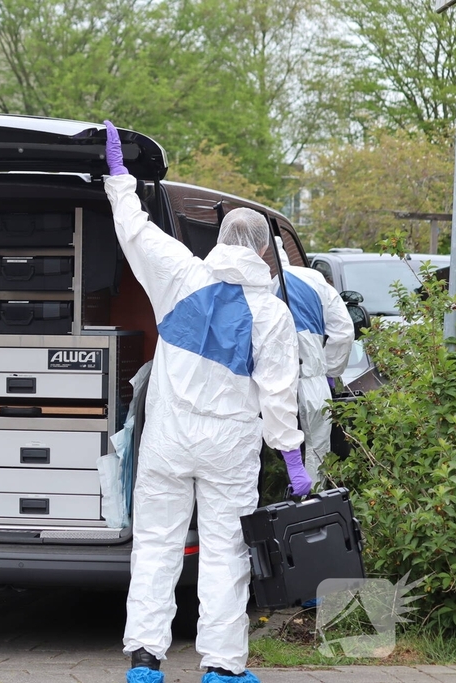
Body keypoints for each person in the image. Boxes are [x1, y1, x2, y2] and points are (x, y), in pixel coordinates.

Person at [102, 121, 307, 683]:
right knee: (224, 555)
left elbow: (135, 231)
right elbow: (278, 396)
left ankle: (145, 660)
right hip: (229, 449)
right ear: (267, 253)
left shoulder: (181, 278)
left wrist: (120, 177)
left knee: (156, 548)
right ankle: (222, 667)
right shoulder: (271, 315)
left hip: (168, 441)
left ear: (219, 242)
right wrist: (291, 458)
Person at [272, 237, 355, 485]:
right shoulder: (315, 281)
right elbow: (343, 333)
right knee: (317, 451)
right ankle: (312, 511)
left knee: (270, 448)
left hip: (271, 382)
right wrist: (329, 370)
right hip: (311, 380)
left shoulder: (260, 286)